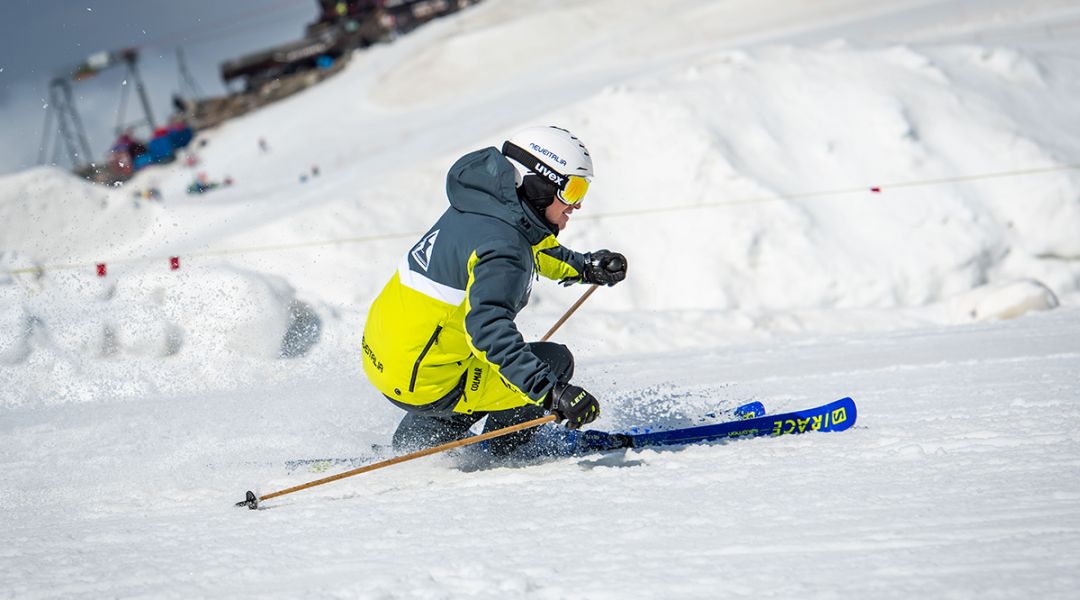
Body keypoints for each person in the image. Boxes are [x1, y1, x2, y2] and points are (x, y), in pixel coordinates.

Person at [361, 126, 628, 456]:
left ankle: (423, 440)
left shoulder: (482, 205)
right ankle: (497, 453)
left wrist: (584, 267)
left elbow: (531, 249)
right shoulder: (505, 245)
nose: (577, 205)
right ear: (541, 182)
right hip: (426, 383)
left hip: (387, 360)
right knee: (554, 361)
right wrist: (551, 393)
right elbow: (489, 332)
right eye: (573, 189)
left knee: (480, 361)